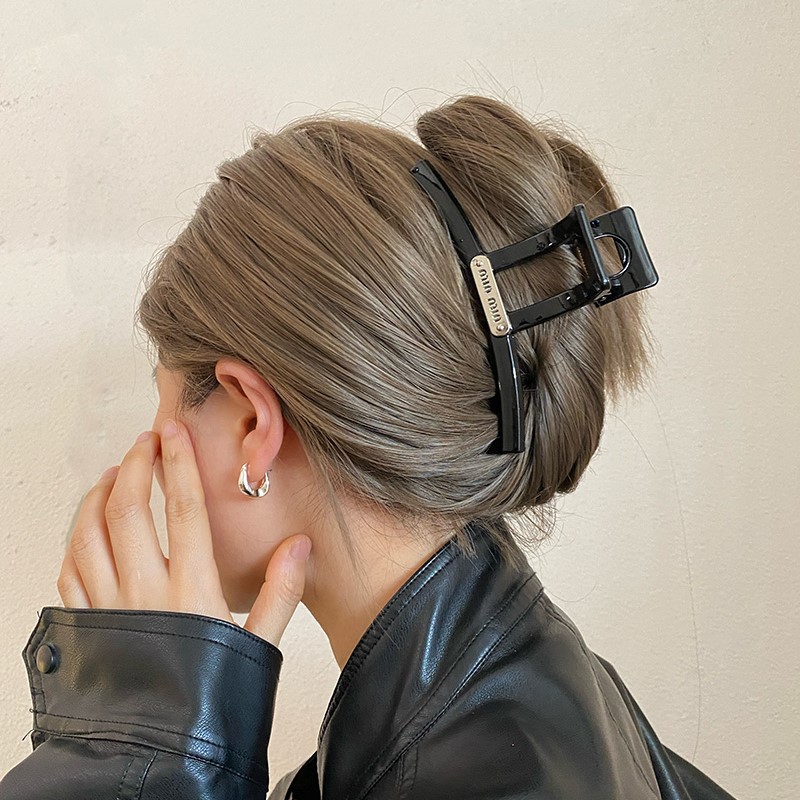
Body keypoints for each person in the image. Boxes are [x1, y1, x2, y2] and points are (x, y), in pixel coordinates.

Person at [0, 95, 738, 799]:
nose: (151, 464)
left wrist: (142, 743)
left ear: (253, 423)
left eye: (164, 407)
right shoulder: (519, 689)